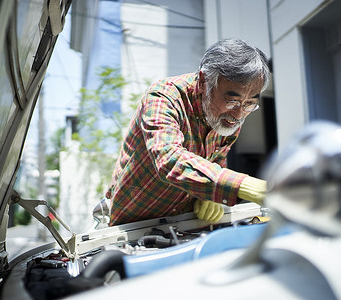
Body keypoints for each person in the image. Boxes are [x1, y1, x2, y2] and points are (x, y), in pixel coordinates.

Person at [105, 38, 271, 226]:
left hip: (185, 221)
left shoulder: (230, 115)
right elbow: (168, 158)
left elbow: (216, 160)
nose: (239, 113)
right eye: (231, 101)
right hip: (133, 223)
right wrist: (247, 187)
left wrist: (207, 196)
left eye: (250, 103)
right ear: (203, 82)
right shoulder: (164, 96)